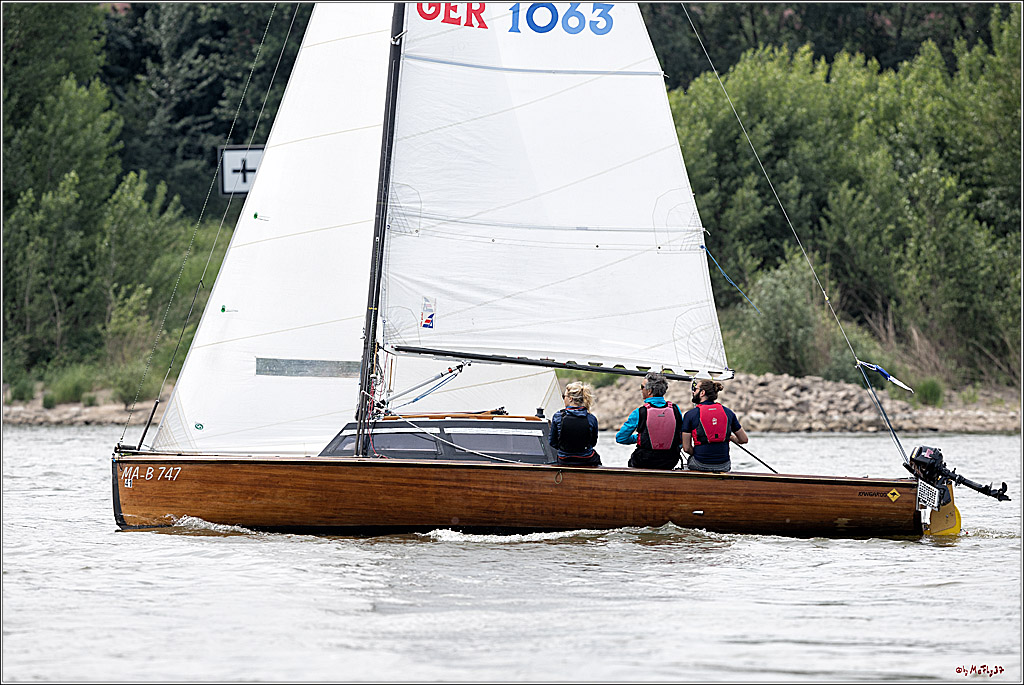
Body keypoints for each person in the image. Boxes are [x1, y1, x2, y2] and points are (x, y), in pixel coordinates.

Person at [616, 372, 684, 470]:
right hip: (670, 460)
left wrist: (640, 438)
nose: (640, 389)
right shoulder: (675, 409)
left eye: (642, 387)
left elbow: (621, 438)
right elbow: (681, 436)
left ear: (649, 391)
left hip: (644, 460)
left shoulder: (639, 412)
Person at [680, 378, 748, 472]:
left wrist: (696, 454)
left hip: (700, 464)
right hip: (723, 465)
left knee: (689, 462)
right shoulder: (728, 412)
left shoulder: (690, 415)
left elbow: (686, 448)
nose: (693, 391)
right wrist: (731, 437)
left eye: (695, 389)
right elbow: (744, 439)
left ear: (702, 393)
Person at [548, 381, 601, 466]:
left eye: (564, 396)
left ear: (570, 398)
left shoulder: (557, 417)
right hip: (587, 459)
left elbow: (552, 442)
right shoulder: (591, 418)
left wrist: (565, 450)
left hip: (564, 460)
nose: (563, 399)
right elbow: (593, 442)